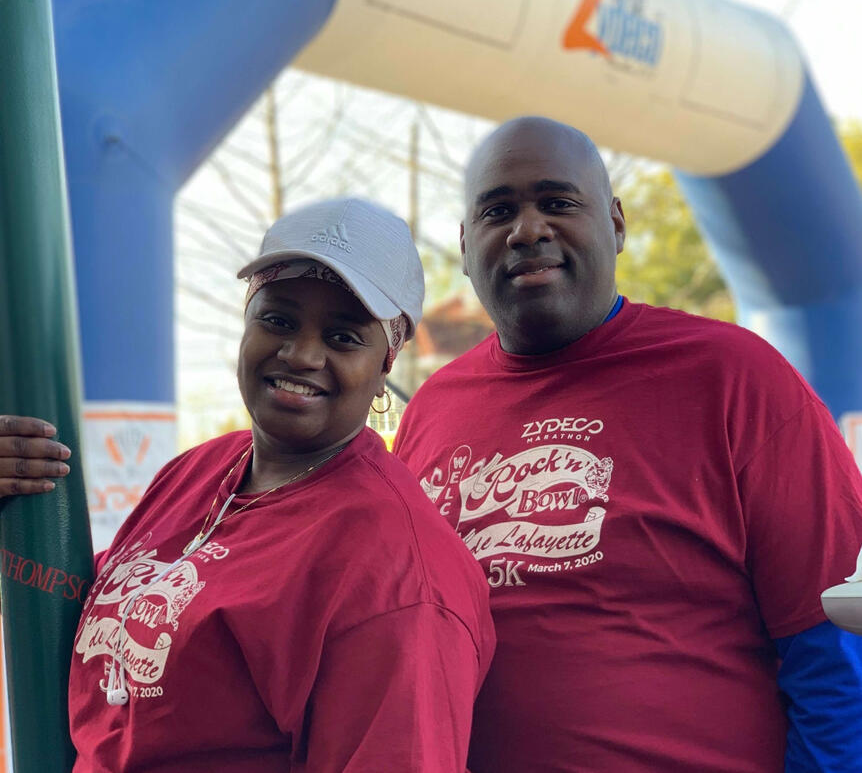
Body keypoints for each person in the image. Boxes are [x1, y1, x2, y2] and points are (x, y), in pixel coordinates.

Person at [391, 116, 862, 772]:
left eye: (557, 202)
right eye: (499, 211)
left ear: (615, 224)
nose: (527, 230)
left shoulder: (735, 380)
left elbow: (837, 646)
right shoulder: (431, 413)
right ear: (467, 245)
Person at [0, 197, 495, 772]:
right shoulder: (197, 471)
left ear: (386, 362)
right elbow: (91, 611)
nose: (301, 354)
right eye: (278, 319)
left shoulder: (399, 577)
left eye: (343, 337)